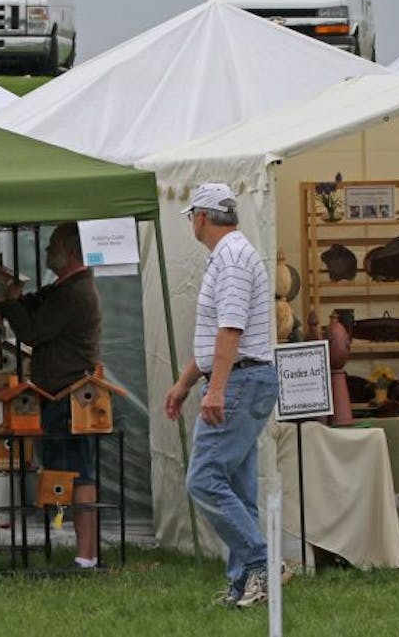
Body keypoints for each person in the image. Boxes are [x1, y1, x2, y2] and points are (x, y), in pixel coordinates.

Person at [162, 182, 281, 608]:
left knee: (205, 479)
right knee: (237, 486)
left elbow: (231, 331)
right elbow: (219, 337)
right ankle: (244, 586)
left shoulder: (229, 259)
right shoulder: (236, 253)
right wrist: (185, 381)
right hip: (247, 377)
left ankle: (263, 564)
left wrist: (214, 389)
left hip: (240, 380)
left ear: (199, 217)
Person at [0, 222, 102, 570]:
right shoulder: (65, 288)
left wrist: (8, 303)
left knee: (78, 473)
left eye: (54, 246)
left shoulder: (75, 293)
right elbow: (38, 301)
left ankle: (86, 556)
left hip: (69, 397)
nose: (48, 251)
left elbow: (33, 330)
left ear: (72, 252)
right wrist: (3, 308)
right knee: (68, 469)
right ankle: (79, 549)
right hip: (56, 395)